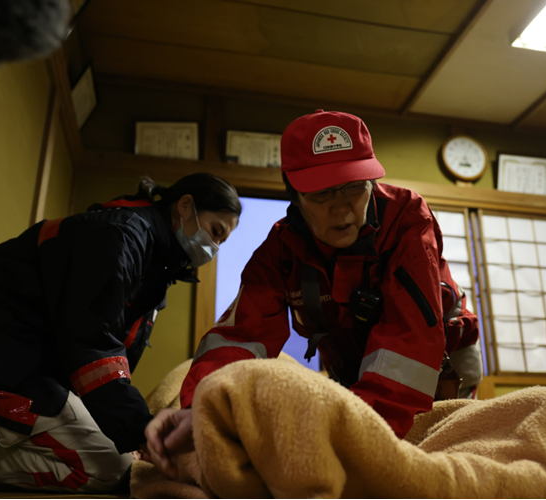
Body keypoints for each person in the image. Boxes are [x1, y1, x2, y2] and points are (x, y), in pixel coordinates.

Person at [146, 110, 481, 476]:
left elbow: (410, 341)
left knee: (426, 462)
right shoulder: (280, 248)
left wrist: (348, 433)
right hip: (350, 365)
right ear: (294, 194)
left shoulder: (407, 220)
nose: (341, 207)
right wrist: (201, 410)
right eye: (321, 193)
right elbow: (241, 336)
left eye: (355, 185)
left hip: (438, 360)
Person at [0, 173, 241, 493]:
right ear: (185, 206)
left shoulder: (153, 263)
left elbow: (101, 349)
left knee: (115, 454)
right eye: (215, 231)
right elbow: (91, 342)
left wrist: (127, 429)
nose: (213, 247)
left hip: (17, 356)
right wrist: (138, 429)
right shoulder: (121, 236)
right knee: (113, 468)